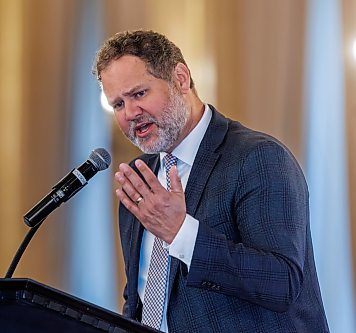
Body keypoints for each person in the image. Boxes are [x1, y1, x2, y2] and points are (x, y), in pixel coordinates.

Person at [93, 30, 329, 333]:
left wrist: (182, 233)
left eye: (139, 94)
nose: (130, 114)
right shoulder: (141, 182)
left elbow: (281, 282)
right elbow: (140, 296)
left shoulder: (258, 158)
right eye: (118, 105)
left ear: (180, 78)